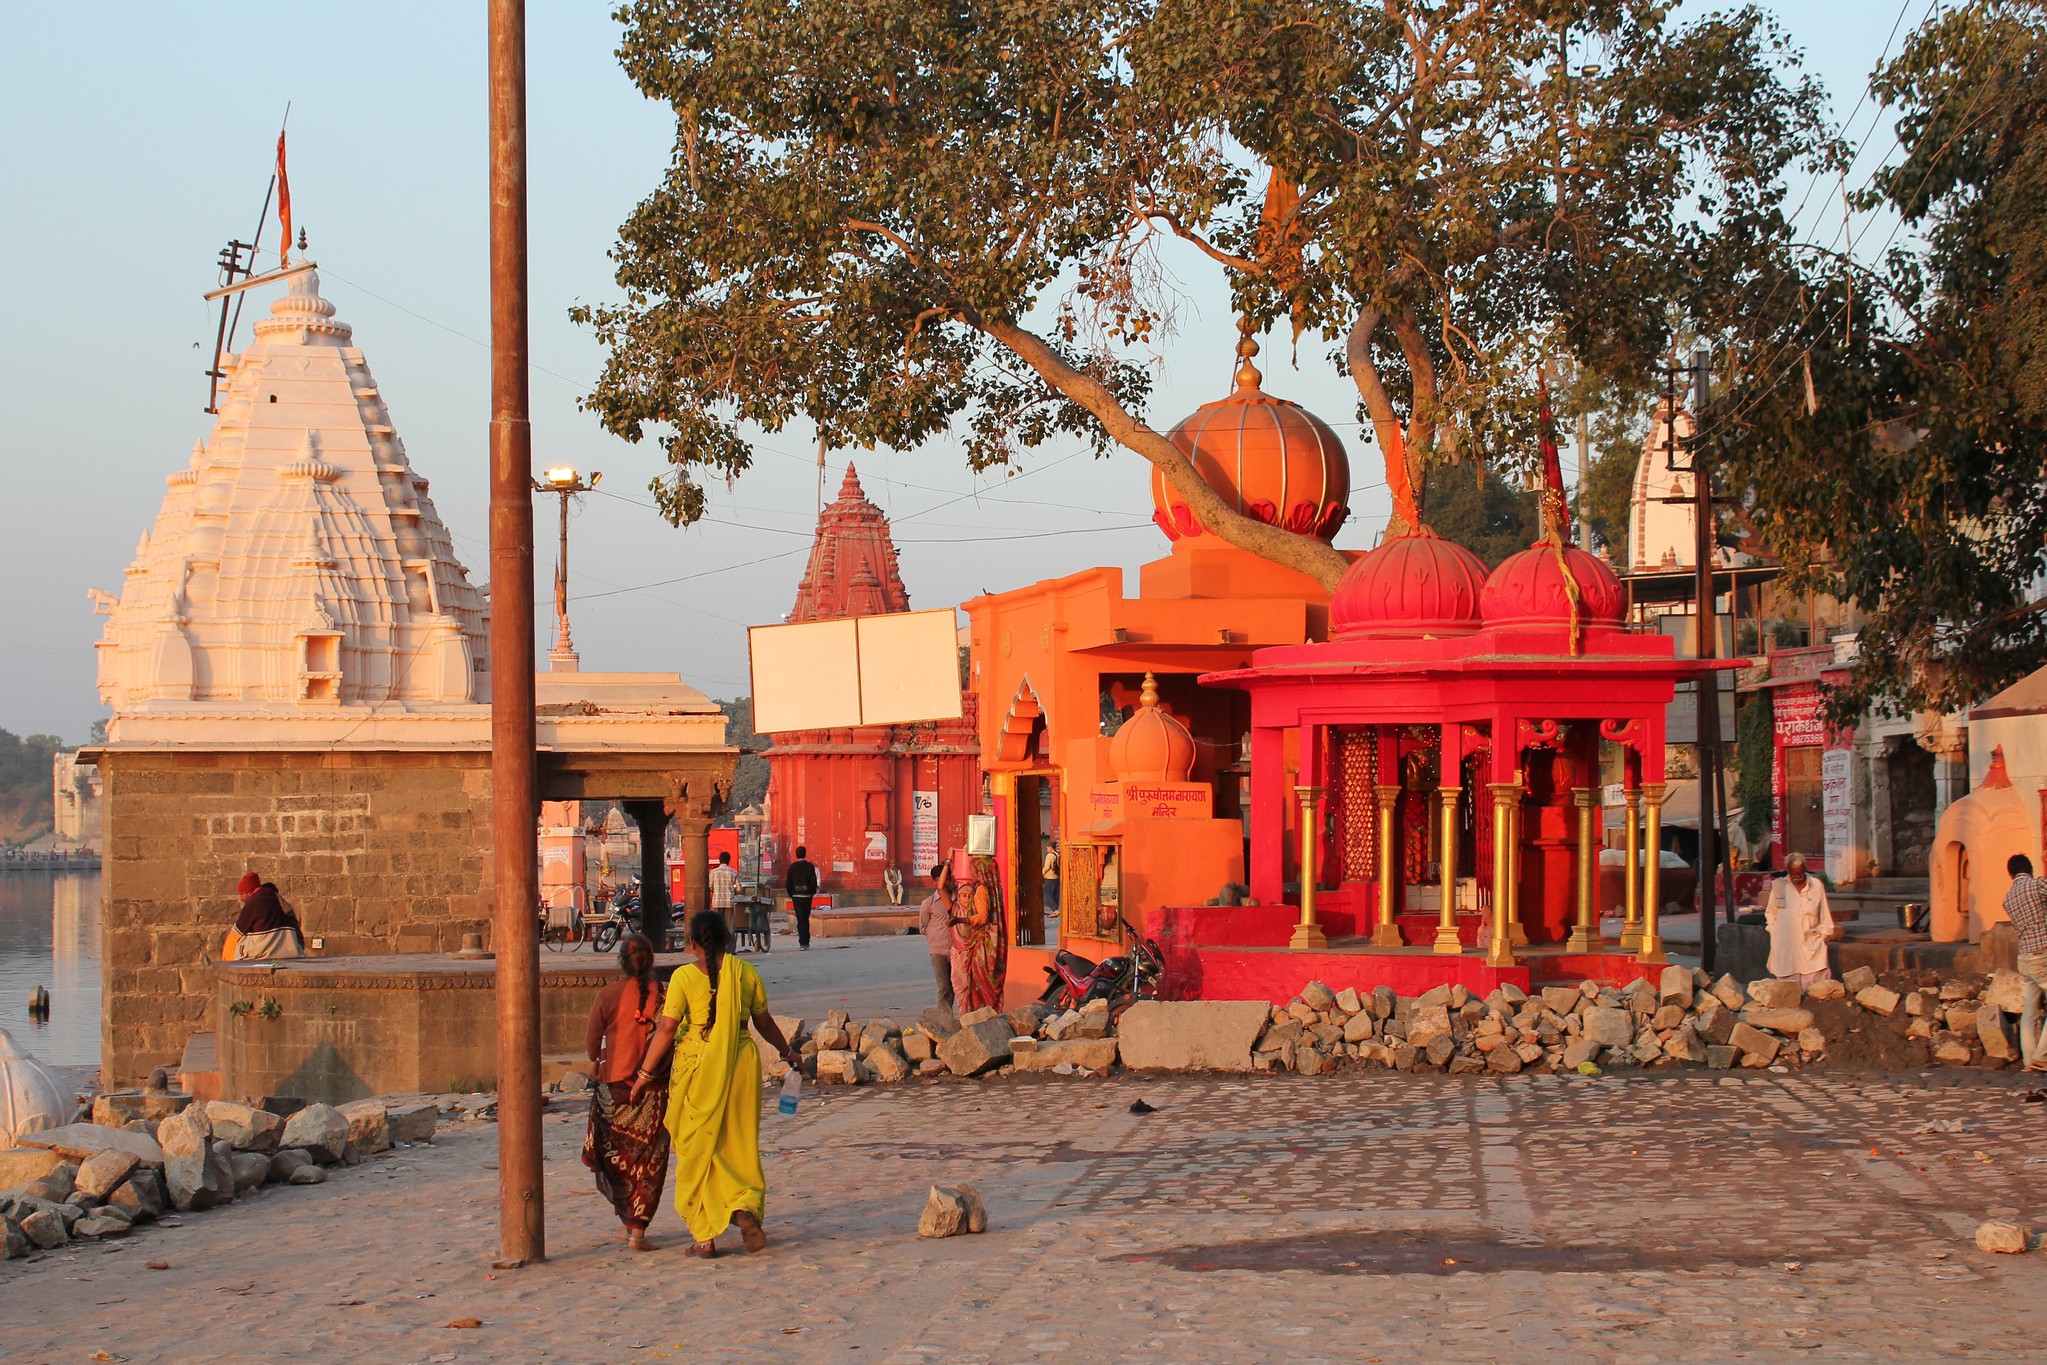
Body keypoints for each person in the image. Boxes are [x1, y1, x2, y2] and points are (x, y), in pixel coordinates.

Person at [630, 910, 800, 1258]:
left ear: (692, 942)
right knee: (737, 1143)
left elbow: (665, 1029)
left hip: (696, 1067)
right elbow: (764, 1023)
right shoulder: (746, 972)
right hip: (741, 1063)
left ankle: (705, 1236)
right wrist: (788, 1052)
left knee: (698, 1148)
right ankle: (742, 1206)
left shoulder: (682, 978)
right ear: (727, 939)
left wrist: (643, 1075)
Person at [581, 933, 671, 1250]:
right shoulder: (666, 994)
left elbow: (592, 1046)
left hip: (614, 1089)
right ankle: (638, 1231)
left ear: (621, 961)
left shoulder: (607, 995)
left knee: (616, 1158)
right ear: (652, 961)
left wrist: (600, 1059)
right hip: (655, 1088)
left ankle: (626, 1218)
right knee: (649, 1163)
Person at [2000, 854, 2047, 1070]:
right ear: (2030, 869)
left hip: (2024, 958)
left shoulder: (2008, 898)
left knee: (2030, 1011)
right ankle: (2042, 1056)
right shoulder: (2036, 886)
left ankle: (2029, 1062)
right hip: (2042, 954)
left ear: (2011, 873)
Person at [1764, 853, 1838, 988]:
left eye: (1800, 873)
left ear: (1805, 869)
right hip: (1786, 944)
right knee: (1787, 981)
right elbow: (1770, 913)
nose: (1798, 877)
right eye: (1794, 874)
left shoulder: (1816, 885)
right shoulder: (1779, 886)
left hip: (1811, 942)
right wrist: (1774, 932)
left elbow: (1824, 913)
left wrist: (1824, 933)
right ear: (1788, 871)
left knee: (1817, 983)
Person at [951, 855, 1007, 1013]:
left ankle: (981, 1016)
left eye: (974, 870)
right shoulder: (995, 888)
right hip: (994, 940)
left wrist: (959, 920)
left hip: (983, 943)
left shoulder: (982, 890)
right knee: (990, 983)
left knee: (981, 984)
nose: (972, 873)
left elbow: (982, 918)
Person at [233, 872, 304, 959]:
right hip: (291, 952)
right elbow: (296, 927)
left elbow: (236, 933)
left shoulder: (254, 902)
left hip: (263, 954)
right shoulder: (282, 903)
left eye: (241, 894)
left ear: (249, 892)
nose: (240, 898)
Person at [917, 863, 957, 1009]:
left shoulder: (958, 898)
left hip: (957, 950)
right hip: (938, 950)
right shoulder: (928, 903)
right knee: (944, 987)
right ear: (936, 880)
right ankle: (944, 1019)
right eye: (944, 879)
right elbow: (923, 927)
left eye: (949, 878)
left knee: (959, 986)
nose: (948, 882)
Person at [785, 845, 820, 951]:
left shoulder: (792, 867)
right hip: (807, 896)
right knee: (806, 918)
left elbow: (788, 883)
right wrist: (811, 892)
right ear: (805, 854)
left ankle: (802, 942)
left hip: (796, 896)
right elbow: (813, 882)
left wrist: (791, 894)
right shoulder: (810, 866)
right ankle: (806, 941)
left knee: (800, 919)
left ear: (796, 854)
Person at [709, 851, 738, 915]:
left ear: (719, 860)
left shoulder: (713, 872)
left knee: (717, 924)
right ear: (729, 860)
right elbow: (739, 889)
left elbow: (709, 887)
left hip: (717, 903)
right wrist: (734, 890)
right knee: (729, 924)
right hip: (729, 903)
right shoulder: (734, 873)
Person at [1041, 839, 1061, 924]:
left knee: (1048, 894)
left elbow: (1047, 867)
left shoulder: (1049, 856)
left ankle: (1055, 910)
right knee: (1055, 894)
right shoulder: (1057, 854)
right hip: (1056, 877)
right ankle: (1055, 909)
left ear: (1050, 847)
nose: (1047, 849)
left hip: (1049, 877)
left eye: (1047, 847)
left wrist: (1042, 873)